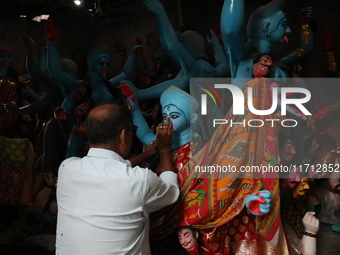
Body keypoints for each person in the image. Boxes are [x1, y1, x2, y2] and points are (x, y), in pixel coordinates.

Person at [55, 103, 180, 255]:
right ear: (123, 136)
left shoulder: (67, 168)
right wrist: (165, 147)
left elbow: (112, 169)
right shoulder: (141, 181)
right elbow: (171, 190)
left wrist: (146, 155)